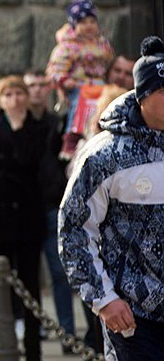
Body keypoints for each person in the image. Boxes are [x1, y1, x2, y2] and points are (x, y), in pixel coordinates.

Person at [60, 36, 164, 361]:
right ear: (144, 95)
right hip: (134, 318)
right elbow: (74, 229)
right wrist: (103, 299)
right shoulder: (106, 154)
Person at [0, 76, 54, 361]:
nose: (15, 99)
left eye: (19, 93)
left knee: (29, 283)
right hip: (0, 215)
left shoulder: (41, 127)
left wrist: (20, 131)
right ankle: (4, 341)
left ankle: (33, 348)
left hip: (29, 216)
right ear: (0, 98)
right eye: (8, 94)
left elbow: (36, 165)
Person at [23, 70, 75, 351]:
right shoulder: (18, 125)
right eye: (30, 86)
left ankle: (67, 332)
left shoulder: (58, 123)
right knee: (26, 277)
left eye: (42, 85)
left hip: (54, 205)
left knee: (59, 273)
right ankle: (33, 330)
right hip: (28, 209)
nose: (36, 91)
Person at [45, 0, 114, 157]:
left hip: (100, 84)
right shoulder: (68, 45)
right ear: (74, 25)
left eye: (92, 21)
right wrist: (64, 80)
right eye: (83, 22)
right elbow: (55, 68)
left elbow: (109, 62)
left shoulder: (102, 43)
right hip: (78, 85)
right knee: (78, 106)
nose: (89, 26)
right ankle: (72, 136)